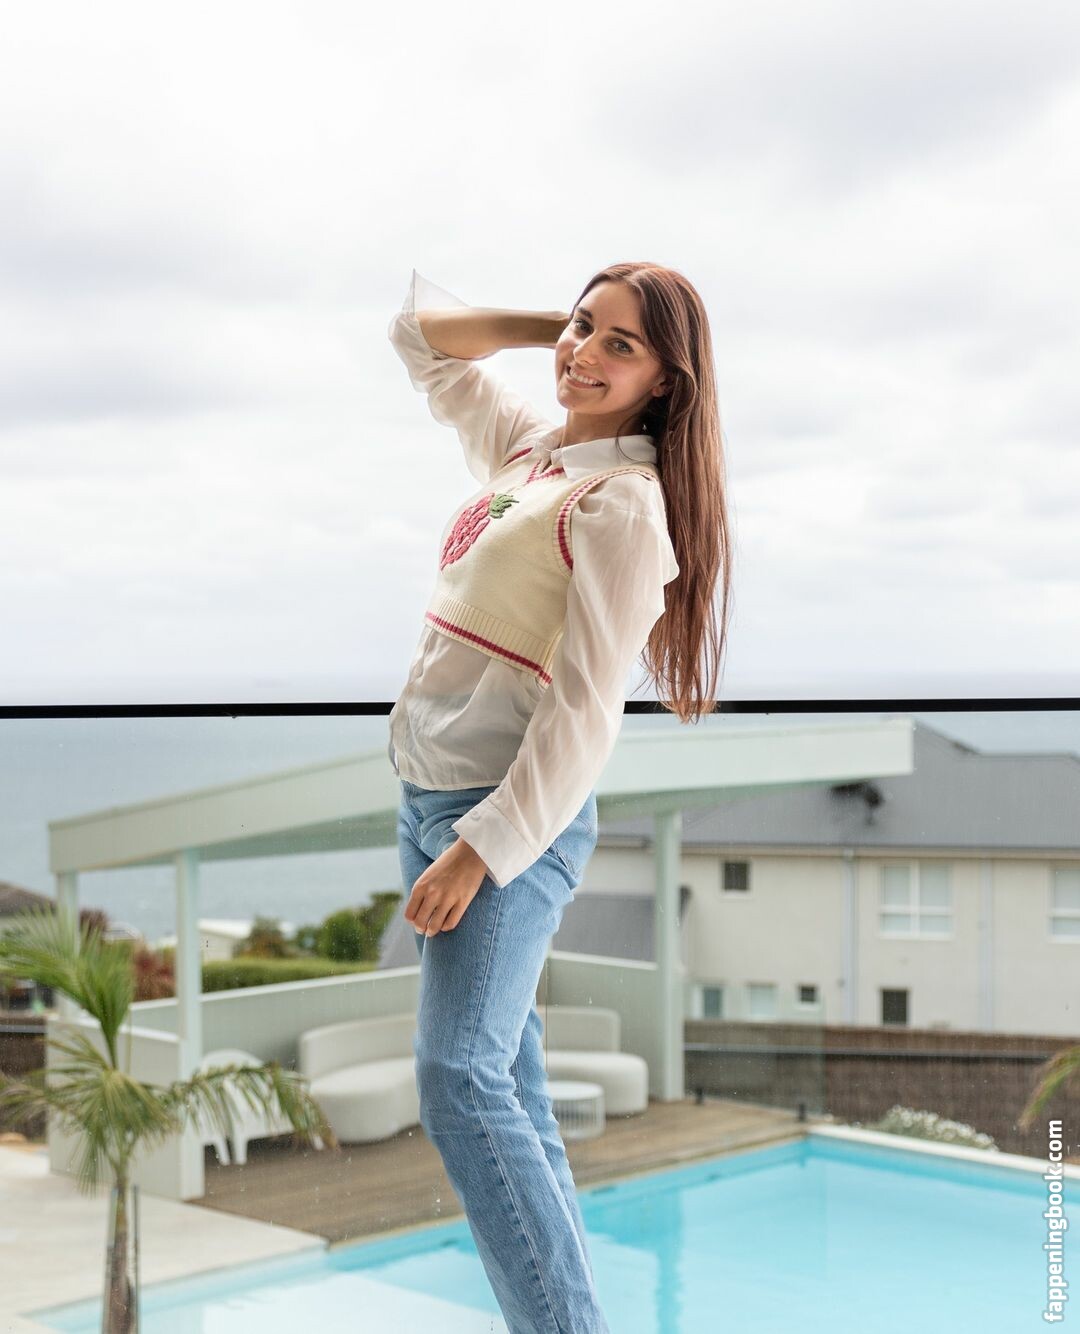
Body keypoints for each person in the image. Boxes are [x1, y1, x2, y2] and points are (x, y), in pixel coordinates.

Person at [389, 263, 732, 1333]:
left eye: (620, 346)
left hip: (500, 825)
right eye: (584, 328)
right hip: (428, 797)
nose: (583, 352)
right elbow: (421, 337)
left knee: (459, 1081)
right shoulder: (535, 452)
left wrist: (480, 849)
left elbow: (585, 712)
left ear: (668, 382)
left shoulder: (622, 505)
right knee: (511, 1093)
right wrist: (568, 329)